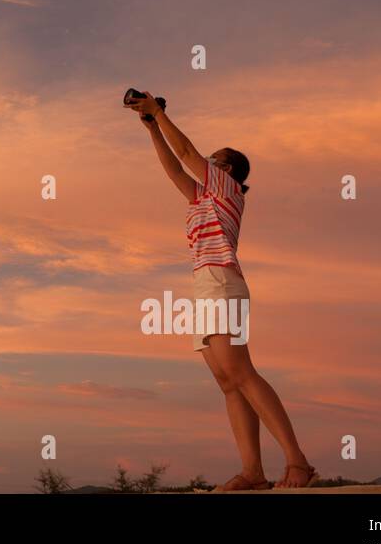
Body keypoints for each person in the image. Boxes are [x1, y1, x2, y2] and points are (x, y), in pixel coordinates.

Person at [125, 91, 317, 491]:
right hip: (204, 285)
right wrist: (151, 128)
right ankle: (253, 473)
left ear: (225, 167)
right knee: (228, 382)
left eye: (213, 158)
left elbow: (186, 154)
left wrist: (159, 112)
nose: (205, 162)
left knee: (242, 373)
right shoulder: (201, 197)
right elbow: (174, 170)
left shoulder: (226, 189)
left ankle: (298, 462)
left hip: (223, 282)